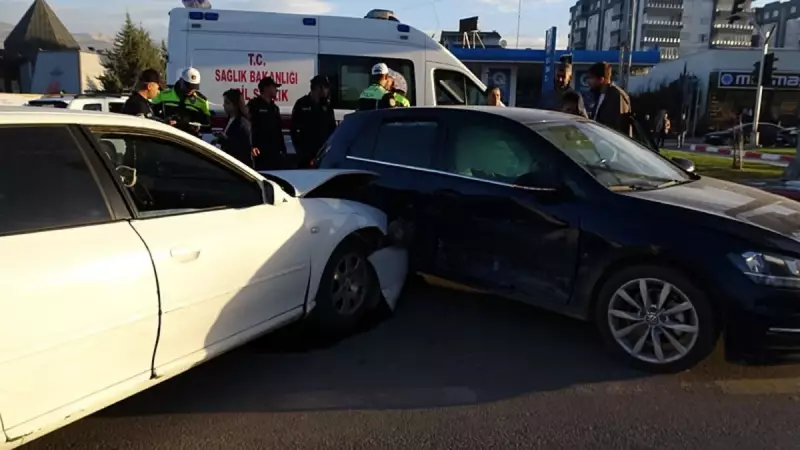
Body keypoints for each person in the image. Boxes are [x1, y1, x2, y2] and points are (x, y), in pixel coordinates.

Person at [291, 75, 338, 168]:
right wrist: (300, 151)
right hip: (305, 155)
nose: (327, 91)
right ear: (318, 88)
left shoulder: (327, 107)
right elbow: (294, 129)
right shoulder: (301, 104)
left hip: (322, 155)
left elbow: (332, 131)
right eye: (326, 87)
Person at [151, 67, 211, 136]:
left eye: (194, 87)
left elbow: (208, 126)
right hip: (166, 136)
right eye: (188, 86)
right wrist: (164, 121)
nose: (190, 90)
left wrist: (197, 128)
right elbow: (151, 115)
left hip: (189, 140)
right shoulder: (163, 94)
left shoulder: (202, 101)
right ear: (181, 81)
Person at [248, 76, 287, 170]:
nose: (276, 90)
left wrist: (282, 149)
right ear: (266, 88)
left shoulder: (274, 108)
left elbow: (278, 130)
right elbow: (248, 128)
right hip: (260, 152)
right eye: (274, 87)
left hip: (274, 152)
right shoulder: (254, 105)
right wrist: (252, 147)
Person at [586, 61, 632, 136]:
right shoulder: (598, 95)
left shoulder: (618, 96)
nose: (588, 81)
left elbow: (621, 127)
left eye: (591, 78)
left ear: (601, 79)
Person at [215, 89, 257, 168]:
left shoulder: (242, 124)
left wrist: (225, 139)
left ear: (235, 105)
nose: (224, 105)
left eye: (227, 103)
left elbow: (244, 148)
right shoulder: (229, 120)